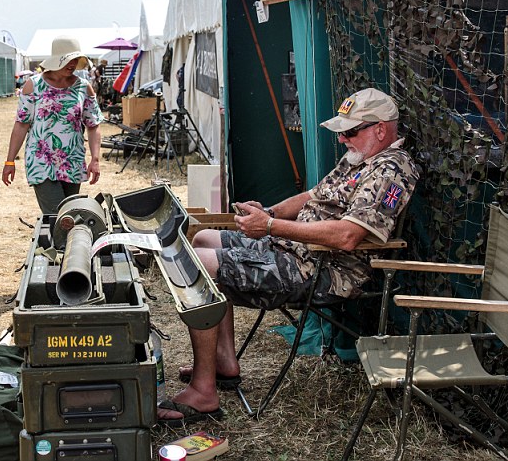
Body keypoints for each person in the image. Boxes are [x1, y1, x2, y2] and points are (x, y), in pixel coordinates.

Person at [157, 88, 420, 427]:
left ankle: (204, 389)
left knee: (201, 266)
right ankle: (224, 362)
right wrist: (268, 212)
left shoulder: (391, 170)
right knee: (204, 237)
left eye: (350, 131)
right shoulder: (360, 158)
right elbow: (313, 195)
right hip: (295, 251)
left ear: (381, 129)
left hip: (324, 271)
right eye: (341, 131)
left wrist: (269, 226)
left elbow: (348, 236)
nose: (342, 139)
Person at [1, 37, 103, 215]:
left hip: (72, 160)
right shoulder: (34, 85)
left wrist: (95, 159)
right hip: (41, 160)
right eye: (68, 59)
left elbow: (93, 125)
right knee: (58, 215)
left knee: (70, 216)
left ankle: (56, 243)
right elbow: (21, 124)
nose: (72, 64)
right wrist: (10, 160)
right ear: (56, 60)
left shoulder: (83, 87)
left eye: (75, 60)